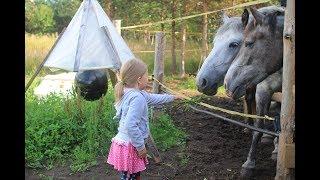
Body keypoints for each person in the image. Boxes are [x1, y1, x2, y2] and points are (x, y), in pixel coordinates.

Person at [107, 58, 182, 180]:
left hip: (124, 143)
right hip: (131, 145)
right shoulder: (137, 98)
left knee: (132, 176)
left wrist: (173, 98)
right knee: (129, 177)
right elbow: (131, 125)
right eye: (147, 75)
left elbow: (154, 98)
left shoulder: (130, 92)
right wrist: (140, 147)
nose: (149, 78)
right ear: (139, 79)